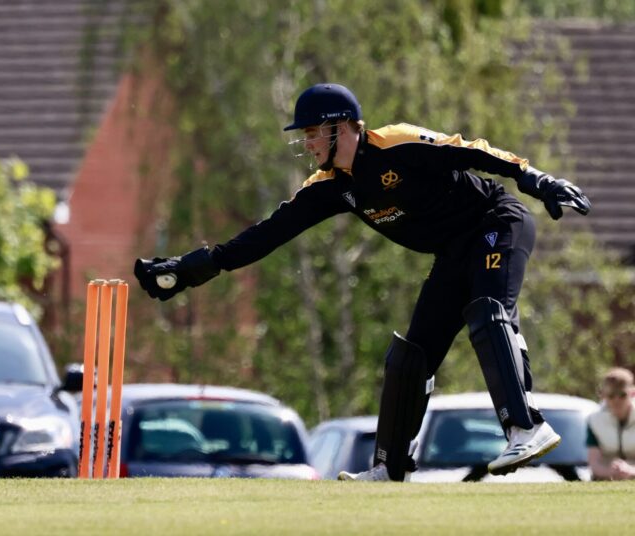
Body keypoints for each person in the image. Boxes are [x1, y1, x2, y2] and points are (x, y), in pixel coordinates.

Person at [133, 83, 591, 482]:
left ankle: (525, 426)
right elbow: (265, 235)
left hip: (497, 222)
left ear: (341, 127)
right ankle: (390, 468)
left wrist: (534, 177)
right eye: (306, 136)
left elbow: (469, 148)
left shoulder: (395, 142)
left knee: (488, 311)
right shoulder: (330, 185)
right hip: (453, 253)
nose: (308, 143)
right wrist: (190, 270)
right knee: (412, 356)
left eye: (313, 132)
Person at [586, 367, 635, 480]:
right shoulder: (594, 420)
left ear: (632, 393)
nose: (617, 400)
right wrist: (611, 471)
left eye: (622, 395)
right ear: (603, 395)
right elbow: (594, 463)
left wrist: (631, 470)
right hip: (606, 479)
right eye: (611, 396)